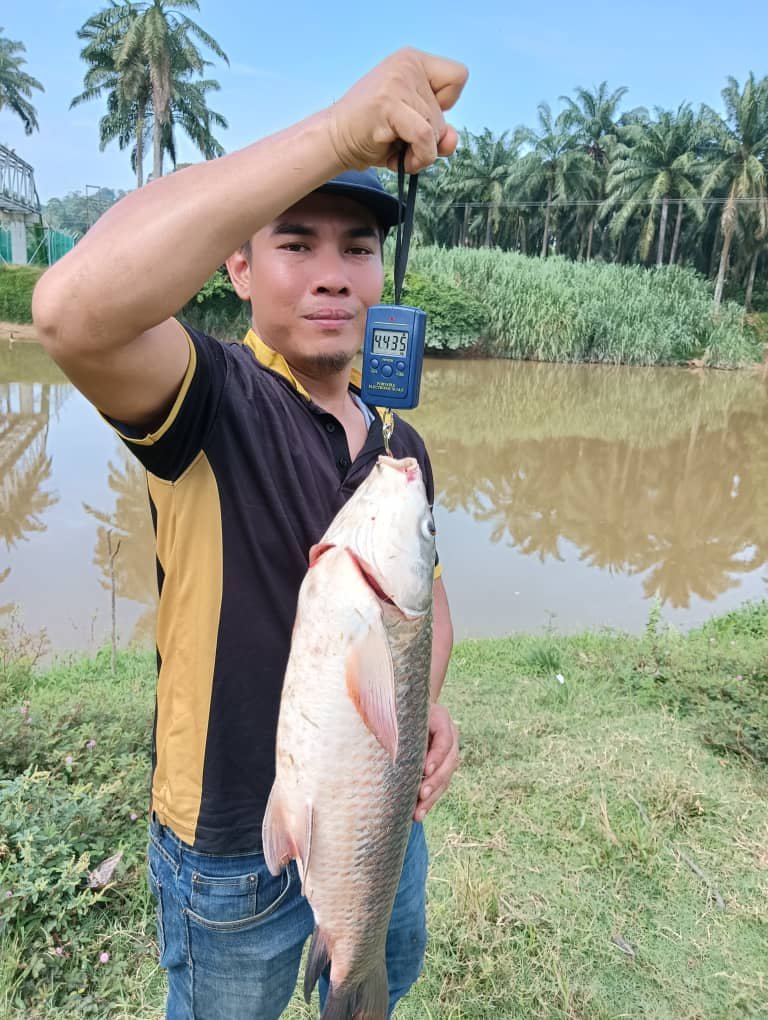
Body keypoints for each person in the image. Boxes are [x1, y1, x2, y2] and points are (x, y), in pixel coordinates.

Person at [32, 47, 468, 1019]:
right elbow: (69, 311)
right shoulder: (211, 398)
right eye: (295, 243)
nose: (333, 276)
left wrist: (418, 710)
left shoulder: (399, 451)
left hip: (377, 823)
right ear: (236, 263)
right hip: (234, 851)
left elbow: (426, 613)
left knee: (373, 978)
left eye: (358, 248)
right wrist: (337, 134)